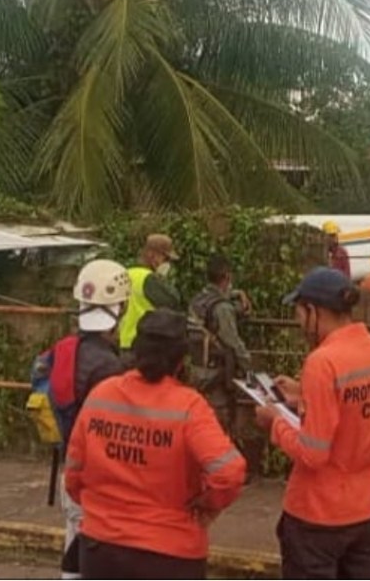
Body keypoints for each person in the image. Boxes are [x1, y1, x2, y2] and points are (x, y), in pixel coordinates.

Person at [65, 309, 246, 579]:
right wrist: (208, 505)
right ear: (181, 359)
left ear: (136, 350)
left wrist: (104, 510)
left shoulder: (102, 395)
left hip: (101, 549)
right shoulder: (188, 406)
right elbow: (229, 472)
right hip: (170, 553)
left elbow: (74, 474)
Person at [256, 267, 370, 579]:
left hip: (318, 516)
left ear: (313, 310)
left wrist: (275, 422)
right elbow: (358, 409)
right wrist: (304, 394)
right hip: (368, 510)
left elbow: (313, 453)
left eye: (299, 312)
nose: (298, 322)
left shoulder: (322, 362)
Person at [55, 259, 133, 579]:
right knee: (88, 555)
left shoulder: (66, 349)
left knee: (74, 543)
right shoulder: (109, 367)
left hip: (68, 467)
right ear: (122, 307)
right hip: (94, 477)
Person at [187, 254, 264, 481]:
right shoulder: (221, 308)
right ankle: (221, 473)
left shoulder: (198, 300)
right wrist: (251, 368)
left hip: (197, 368)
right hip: (217, 373)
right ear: (227, 277)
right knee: (219, 421)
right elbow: (233, 341)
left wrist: (237, 295)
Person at [118, 234, 183, 357]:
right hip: (144, 345)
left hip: (124, 343)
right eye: (166, 258)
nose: (168, 264)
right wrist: (162, 280)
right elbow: (173, 301)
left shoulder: (127, 273)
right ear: (152, 255)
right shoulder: (149, 279)